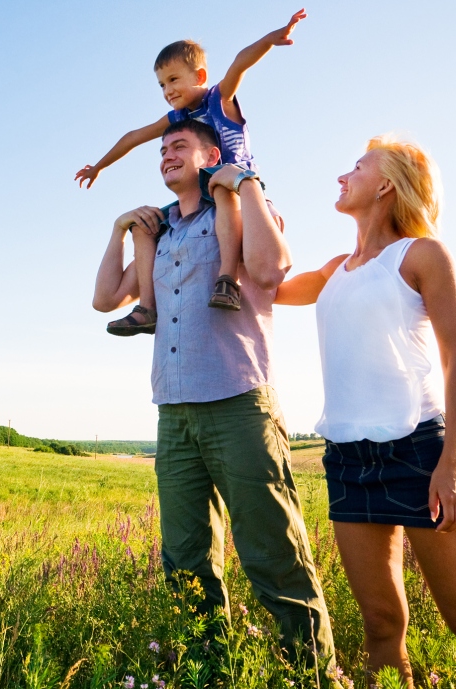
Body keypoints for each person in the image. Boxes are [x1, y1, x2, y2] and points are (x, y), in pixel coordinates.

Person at [274, 136, 456, 688]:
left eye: (355, 167)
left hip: (421, 453)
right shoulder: (335, 271)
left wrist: (451, 463)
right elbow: (265, 287)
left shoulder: (421, 255)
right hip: (348, 460)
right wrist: (249, 205)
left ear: (385, 185)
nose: (341, 176)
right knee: (380, 626)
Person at [92, 118, 336, 676]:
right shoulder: (163, 233)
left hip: (238, 403)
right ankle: (208, 671)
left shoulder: (240, 210)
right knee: (185, 560)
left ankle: (314, 676)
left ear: (209, 155)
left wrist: (244, 182)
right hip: (173, 412)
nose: (165, 155)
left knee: (274, 552)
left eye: (178, 146)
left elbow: (273, 270)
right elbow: (105, 298)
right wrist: (119, 230)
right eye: (160, 150)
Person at [78, 9, 307, 335]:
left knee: (219, 187)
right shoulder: (176, 118)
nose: (167, 90)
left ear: (199, 77)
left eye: (173, 80)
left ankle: (227, 278)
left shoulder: (218, 99)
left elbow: (239, 63)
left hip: (235, 184)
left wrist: (271, 39)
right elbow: (133, 136)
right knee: (146, 225)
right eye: (161, 85)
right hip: (201, 194)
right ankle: (147, 307)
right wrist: (99, 166)